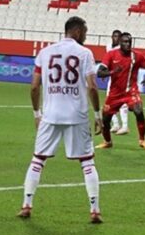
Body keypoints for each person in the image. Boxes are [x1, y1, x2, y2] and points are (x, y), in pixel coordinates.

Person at [17, 16, 103, 223]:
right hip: (77, 115)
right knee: (87, 161)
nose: (86, 36)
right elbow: (92, 87)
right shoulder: (85, 53)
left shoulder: (45, 53)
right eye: (85, 32)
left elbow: (34, 86)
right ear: (77, 31)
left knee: (38, 159)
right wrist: (98, 114)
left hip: (51, 115)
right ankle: (94, 210)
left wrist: (36, 114)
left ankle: (26, 205)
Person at [96, 32, 145, 151]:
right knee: (106, 119)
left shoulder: (137, 56)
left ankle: (142, 140)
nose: (127, 44)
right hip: (114, 94)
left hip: (131, 91)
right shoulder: (111, 55)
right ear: (120, 43)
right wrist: (113, 72)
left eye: (129, 42)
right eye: (125, 42)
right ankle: (107, 142)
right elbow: (99, 73)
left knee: (139, 111)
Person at [104, 29, 129, 135]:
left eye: (118, 37)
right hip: (112, 78)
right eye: (114, 36)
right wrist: (106, 72)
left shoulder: (122, 49)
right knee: (109, 101)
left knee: (122, 102)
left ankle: (125, 126)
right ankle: (116, 124)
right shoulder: (108, 46)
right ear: (112, 37)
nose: (116, 38)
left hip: (121, 79)